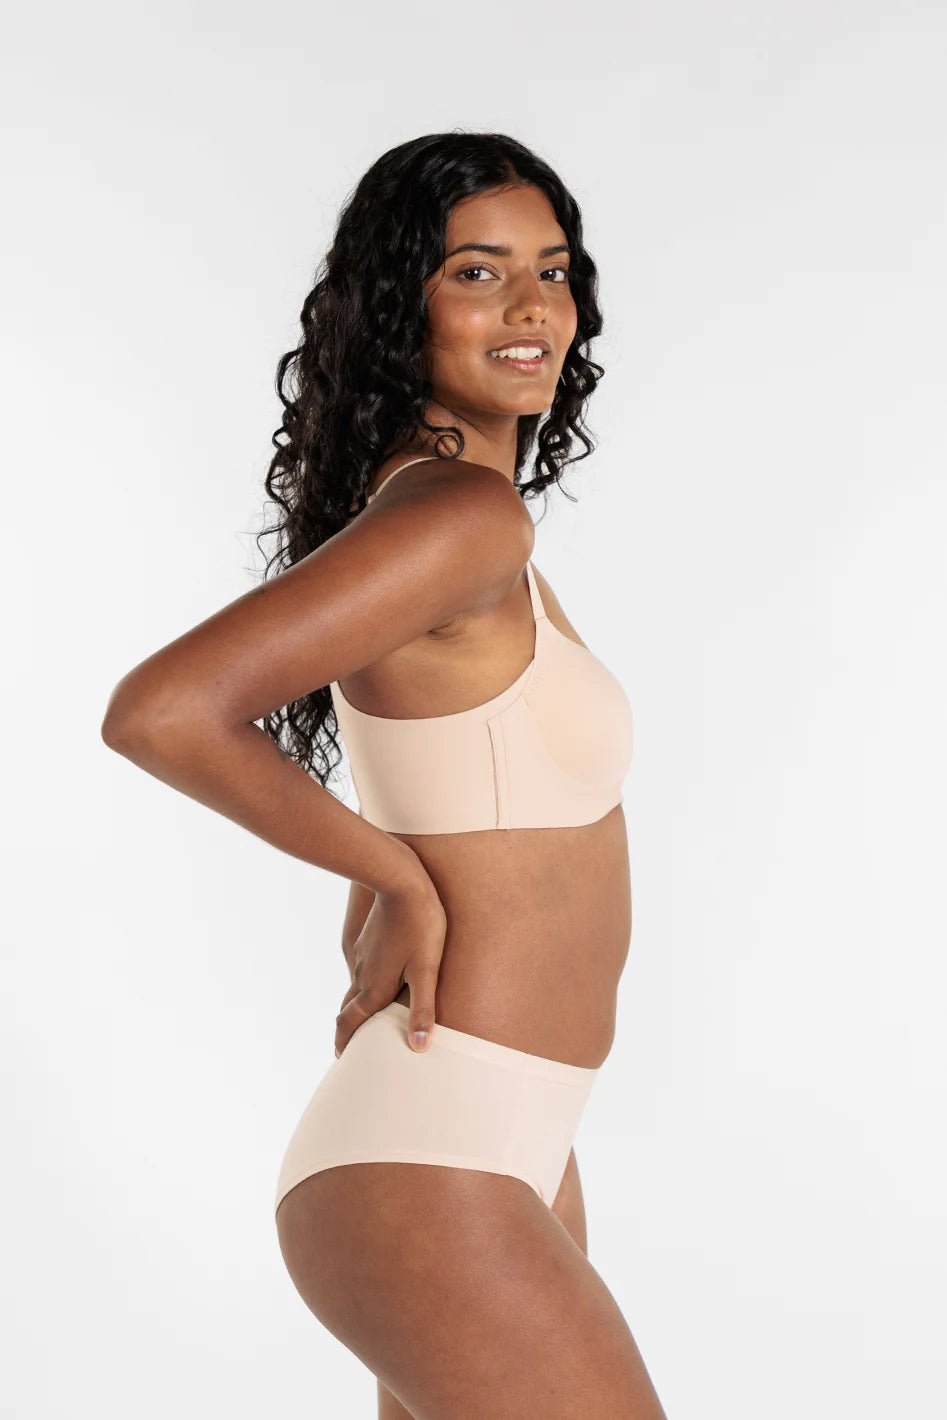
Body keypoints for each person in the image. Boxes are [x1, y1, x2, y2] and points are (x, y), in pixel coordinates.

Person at [101, 132, 667, 1420]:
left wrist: (389, 866)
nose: (530, 308)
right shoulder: (463, 515)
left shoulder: (451, 518)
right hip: (438, 1146)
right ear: (401, 303)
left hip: (506, 1133)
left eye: (552, 271)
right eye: (477, 272)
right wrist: (393, 877)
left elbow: (451, 781)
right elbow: (163, 713)